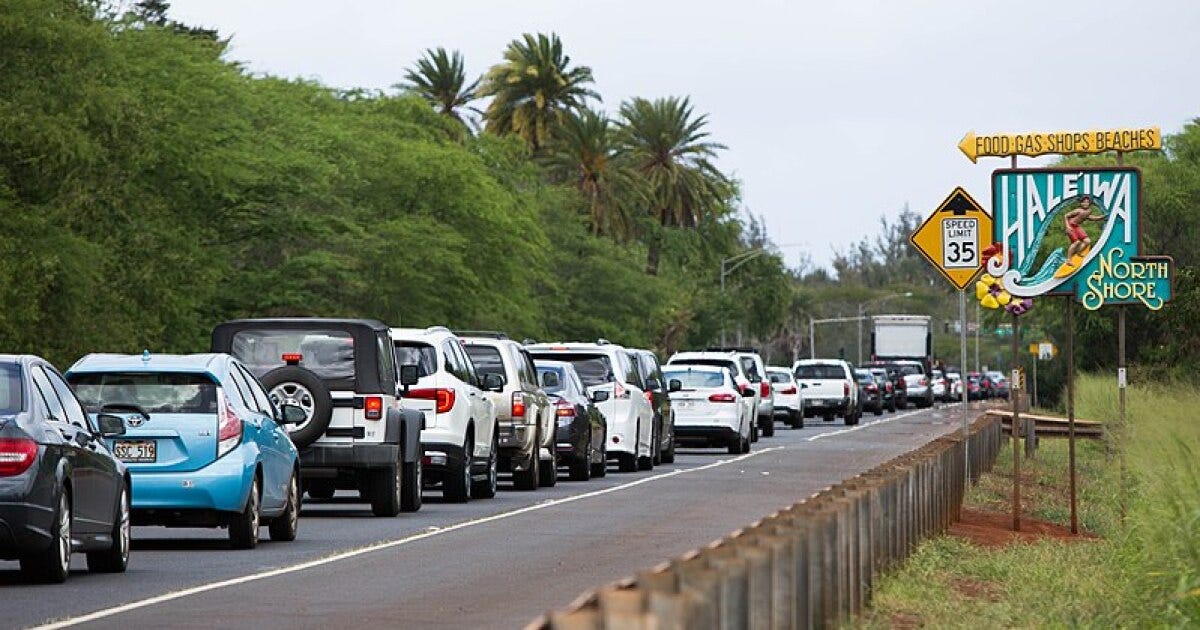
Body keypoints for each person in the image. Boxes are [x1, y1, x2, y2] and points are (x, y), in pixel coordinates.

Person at [1054, 195, 1105, 278]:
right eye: (1084, 202)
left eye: (1087, 202)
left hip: (1077, 227)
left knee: (1087, 241)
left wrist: (1101, 217)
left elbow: (1091, 218)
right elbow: (1066, 216)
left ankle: (1078, 252)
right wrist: (1067, 226)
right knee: (1076, 242)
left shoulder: (1088, 211)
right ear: (1081, 203)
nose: (1085, 204)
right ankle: (1068, 260)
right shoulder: (1078, 210)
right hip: (1071, 225)